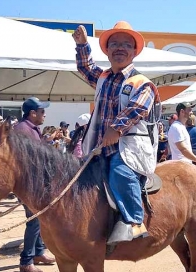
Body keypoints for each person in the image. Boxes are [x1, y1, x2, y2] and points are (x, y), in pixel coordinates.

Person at [73, 22, 161, 245]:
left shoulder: (142, 83)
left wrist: (117, 128)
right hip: (100, 147)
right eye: (114, 44)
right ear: (107, 50)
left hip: (128, 148)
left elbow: (139, 108)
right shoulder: (103, 78)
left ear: (134, 51)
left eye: (125, 44)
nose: (119, 48)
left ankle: (134, 221)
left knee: (121, 172)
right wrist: (82, 45)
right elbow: (85, 68)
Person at [14, 97, 56, 272]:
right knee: (33, 222)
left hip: (35, 183)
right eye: (42, 111)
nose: (44, 114)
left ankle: (38, 253)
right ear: (32, 113)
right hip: (29, 184)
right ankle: (26, 261)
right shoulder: (23, 130)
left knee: (39, 220)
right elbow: (29, 158)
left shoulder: (31, 129)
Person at [167, 102, 196, 168]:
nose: (192, 112)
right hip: (180, 165)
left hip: (185, 164)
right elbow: (183, 149)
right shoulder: (176, 127)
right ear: (182, 111)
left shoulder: (181, 126)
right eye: (189, 110)